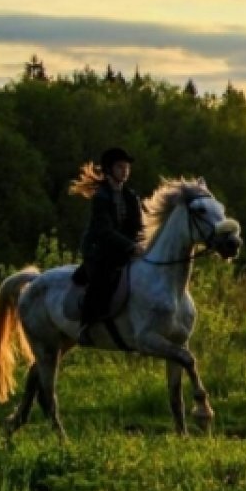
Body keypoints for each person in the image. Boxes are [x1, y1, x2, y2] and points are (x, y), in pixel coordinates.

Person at [70, 147, 144, 345]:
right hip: (99, 249)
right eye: (120, 167)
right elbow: (104, 231)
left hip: (123, 248)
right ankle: (85, 326)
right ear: (109, 170)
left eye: (127, 167)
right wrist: (130, 246)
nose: (125, 171)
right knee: (104, 277)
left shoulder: (131, 196)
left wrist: (142, 243)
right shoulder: (101, 196)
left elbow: (138, 226)